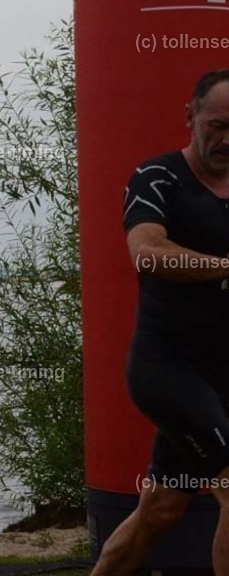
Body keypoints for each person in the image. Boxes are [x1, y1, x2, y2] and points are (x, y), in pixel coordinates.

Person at [92, 70, 229, 574]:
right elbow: (146, 253)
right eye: (218, 124)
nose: (228, 139)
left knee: (161, 511)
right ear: (190, 117)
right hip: (167, 370)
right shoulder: (157, 178)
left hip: (223, 377)